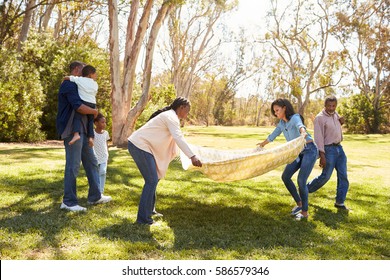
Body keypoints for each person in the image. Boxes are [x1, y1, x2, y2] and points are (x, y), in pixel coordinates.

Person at [128, 97, 202, 225]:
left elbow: (178, 137)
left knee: (154, 179)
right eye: (187, 111)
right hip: (139, 145)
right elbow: (178, 137)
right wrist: (192, 156)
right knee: (151, 180)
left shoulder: (171, 117)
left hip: (144, 146)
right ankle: (143, 219)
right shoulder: (170, 117)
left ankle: (150, 210)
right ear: (182, 107)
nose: (187, 114)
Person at [56, 61, 111, 212]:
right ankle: (68, 202)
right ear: (76, 69)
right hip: (71, 130)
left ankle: (95, 196)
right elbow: (78, 107)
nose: (85, 73)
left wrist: (91, 134)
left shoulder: (81, 85)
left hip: (84, 131)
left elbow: (88, 111)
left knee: (92, 162)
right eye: (82, 69)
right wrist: (94, 112)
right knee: (73, 165)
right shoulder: (69, 85)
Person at [258, 98, 318, 220]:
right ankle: (300, 204)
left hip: (309, 150)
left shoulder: (295, 117)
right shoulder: (281, 124)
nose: (276, 113)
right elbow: (273, 135)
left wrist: (303, 132)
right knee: (285, 176)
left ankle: (305, 213)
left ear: (284, 108)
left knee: (301, 180)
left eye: (277, 110)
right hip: (296, 152)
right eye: (274, 111)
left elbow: (300, 126)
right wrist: (262, 145)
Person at [307, 96, 349, 210]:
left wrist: (341, 123)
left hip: (339, 149)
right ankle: (304, 190)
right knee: (325, 177)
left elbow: (334, 129)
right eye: (329, 106)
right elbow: (318, 138)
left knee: (343, 176)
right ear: (324, 105)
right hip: (328, 150)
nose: (331, 108)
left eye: (334, 106)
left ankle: (340, 202)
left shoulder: (335, 114)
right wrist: (322, 155)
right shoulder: (319, 118)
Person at [64, 65, 98, 147]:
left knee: (77, 117)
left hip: (84, 103)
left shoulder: (79, 80)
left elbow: (68, 78)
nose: (96, 76)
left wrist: (64, 79)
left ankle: (76, 134)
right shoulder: (95, 84)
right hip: (93, 104)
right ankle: (91, 137)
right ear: (90, 74)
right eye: (95, 74)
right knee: (90, 122)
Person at [93, 113, 110, 194]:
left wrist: (108, 154)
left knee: (103, 172)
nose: (104, 124)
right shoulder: (92, 133)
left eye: (105, 122)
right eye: (102, 122)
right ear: (96, 123)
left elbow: (106, 144)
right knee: (95, 174)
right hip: (95, 157)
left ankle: (101, 191)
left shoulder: (106, 133)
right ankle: (95, 190)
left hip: (104, 156)